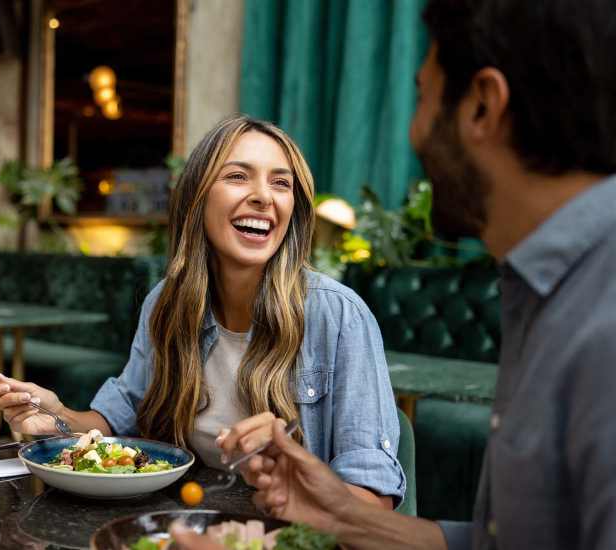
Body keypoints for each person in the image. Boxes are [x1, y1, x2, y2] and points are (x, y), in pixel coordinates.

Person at [201, 0, 616, 548]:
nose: (414, 134)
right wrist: (343, 517)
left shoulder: (601, 320)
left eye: (421, 97)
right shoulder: (545, 287)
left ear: (482, 108)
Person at [0, 115, 404, 509]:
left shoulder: (339, 315)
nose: (262, 196)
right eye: (238, 176)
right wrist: (58, 417)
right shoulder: (166, 304)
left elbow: (374, 502)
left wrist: (294, 478)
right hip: (190, 523)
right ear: (197, 198)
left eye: (281, 183)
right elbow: (116, 419)